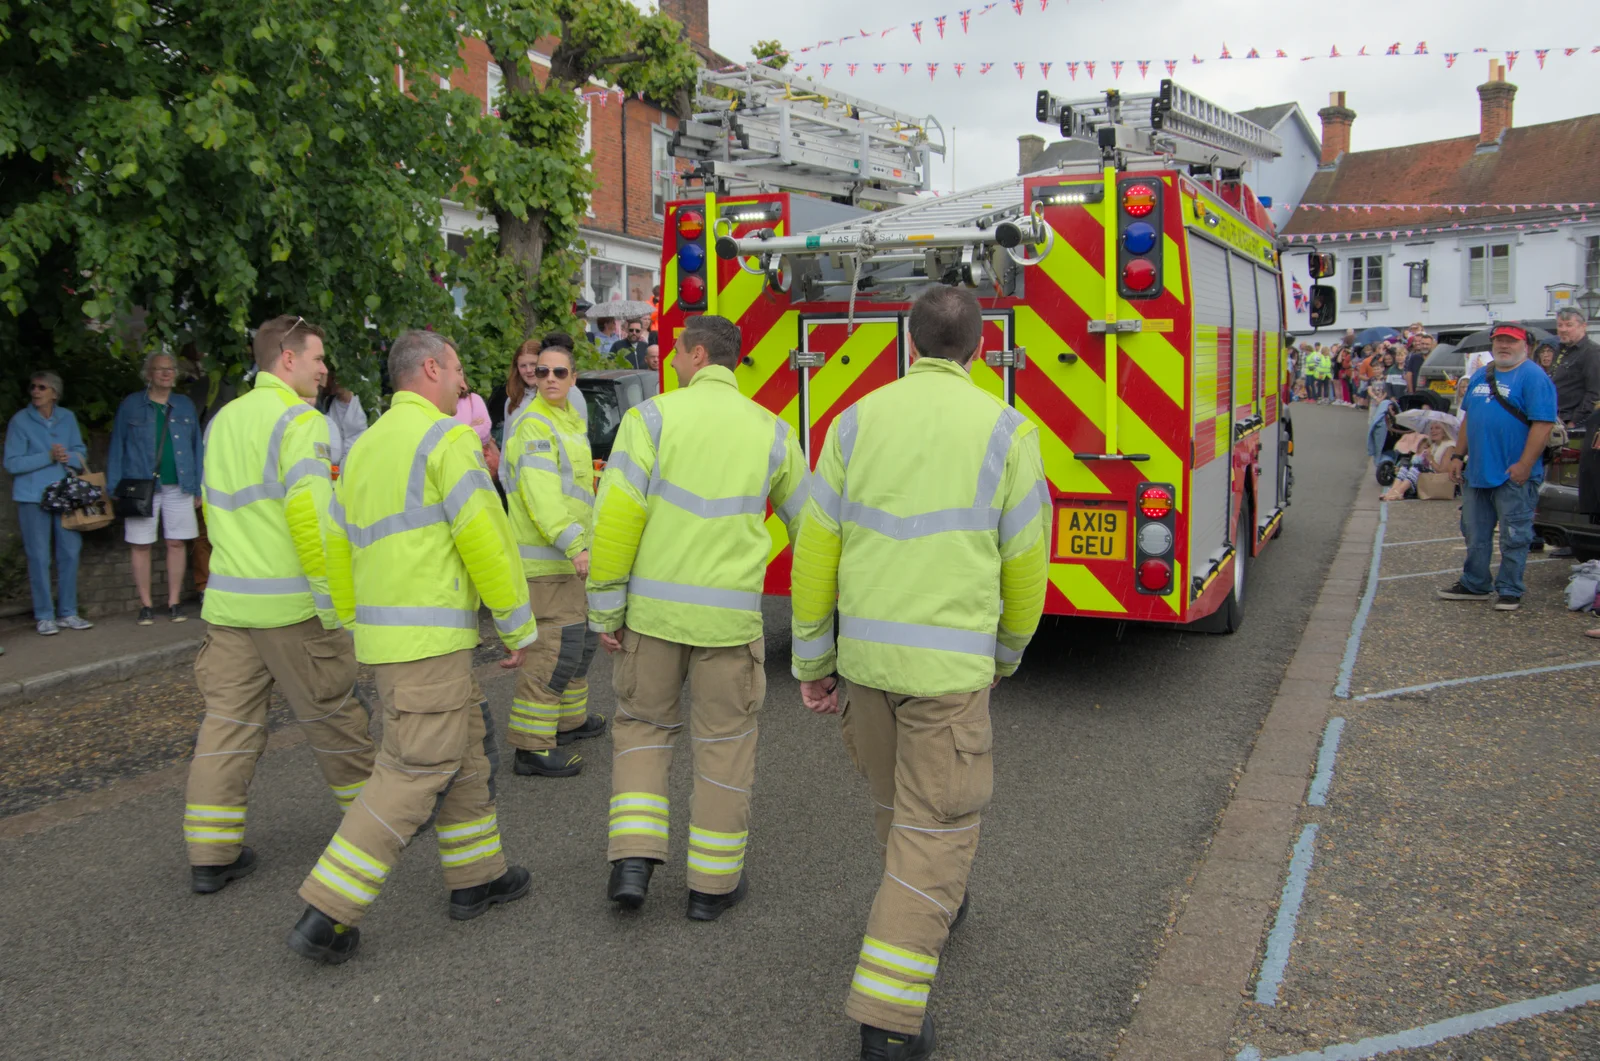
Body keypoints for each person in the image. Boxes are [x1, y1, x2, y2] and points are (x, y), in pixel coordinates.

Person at [789, 286, 1048, 1059]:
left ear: (907, 344)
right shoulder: (1007, 430)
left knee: (897, 805)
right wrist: (1008, 651)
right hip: (948, 669)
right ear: (978, 349)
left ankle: (930, 902)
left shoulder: (856, 420)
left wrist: (812, 657)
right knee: (935, 825)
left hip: (868, 665)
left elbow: (816, 547)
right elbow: (1026, 562)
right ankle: (888, 1018)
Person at [288, 329, 537, 964]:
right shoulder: (446, 442)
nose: (463, 383)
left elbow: (335, 542)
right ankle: (326, 912)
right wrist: (518, 628)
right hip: (430, 640)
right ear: (430, 369)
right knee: (413, 771)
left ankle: (477, 876)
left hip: (392, 642)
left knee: (463, 757)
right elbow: (487, 537)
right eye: (456, 371)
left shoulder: (364, 447)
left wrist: (350, 619)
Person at [587, 313, 807, 920]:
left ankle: (632, 863)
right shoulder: (772, 431)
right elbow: (812, 531)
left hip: (653, 620)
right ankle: (711, 889)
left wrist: (606, 608)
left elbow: (617, 519)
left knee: (641, 729)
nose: (671, 361)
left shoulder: (651, 419)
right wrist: (819, 627)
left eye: (676, 351)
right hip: (730, 628)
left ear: (698, 354)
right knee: (725, 746)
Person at [182, 314, 375, 895]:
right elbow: (313, 521)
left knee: (227, 727)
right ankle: (377, 824)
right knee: (335, 718)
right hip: (292, 607)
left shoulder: (222, 421)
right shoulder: (301, 422)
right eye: (317, 358)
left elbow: (211, 512)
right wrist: (334, 605)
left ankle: (211, 855)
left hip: (230, 603)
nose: (324, 370)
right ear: (286, 359)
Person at [503, 340, 606, 777]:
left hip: (568, 560)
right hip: (549, 562)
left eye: (558, 373)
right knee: (553, 652)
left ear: (573, 378)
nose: (549, 379)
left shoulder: (566, 420)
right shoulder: (534, 425)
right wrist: (575, 545)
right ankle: (531, 746)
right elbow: (543, 498)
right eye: (541, 372)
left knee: (578, 646)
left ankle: (567, 722)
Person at [1438, 323, 1558, 612]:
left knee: (1514, 535)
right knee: (1473, 531)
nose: (1504, 346)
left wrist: (1525, 465)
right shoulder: (1483, 374)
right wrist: (1457, 455)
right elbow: (1469, 418)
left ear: (1525, 346)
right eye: (1499, 341)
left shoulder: (1534, 377)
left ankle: (1510, 589)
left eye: (1511, 341)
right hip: (1478, 471)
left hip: (1513, 473)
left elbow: (1543, 425)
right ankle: (1475, 583)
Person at [108, 351, 204, 624]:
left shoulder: (184, 405)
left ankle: (174, 602)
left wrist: (198, 486)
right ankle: (146, 604)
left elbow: (197, 447)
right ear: (148, 374)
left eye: (170, 369)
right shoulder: (131, 406)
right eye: (160, 369)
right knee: (141, 545)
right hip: (141, 485)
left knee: (176, 543)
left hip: (180, 485)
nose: (166, 374)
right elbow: (118, 445)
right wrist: (115, 485)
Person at [4, 371, 92, 635]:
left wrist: (70, 457)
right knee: (39, 557)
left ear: (54, 392)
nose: (35, 391)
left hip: (65, 494)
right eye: (32, 387)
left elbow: (81, 452)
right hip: (33, 497)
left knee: (70, 553)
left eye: (42, 387)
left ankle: (68, 612)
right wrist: (48, 456)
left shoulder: (68, 418)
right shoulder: (20, 420)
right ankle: (44, 615)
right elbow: (12, 463)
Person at [1381, 419, 1456, 502]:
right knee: (1406, 465)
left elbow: (1443, 470)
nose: (1433, 431)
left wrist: (1430, 459)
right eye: (1431, 428)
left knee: (1417, 467)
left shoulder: (1449, 446)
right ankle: (1393, 490)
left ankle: (1399, 491)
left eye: (1437, 428)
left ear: (1445, 431)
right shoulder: (1434, 445)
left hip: (1439, 480)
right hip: (1429, 477)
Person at [1550, 307, 1600, 425]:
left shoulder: (1592, 353)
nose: (1563, 329)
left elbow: (1595, 393)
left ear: (1583, 326)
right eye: (1560, 325)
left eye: (1569, 325)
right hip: (1554, 416)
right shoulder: (1559, 350)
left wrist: (1574, 421)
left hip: (1572, 421)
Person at [318, 370, 368, 465]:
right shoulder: (328, 402)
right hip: (336, 464)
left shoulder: (363, 402)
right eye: (334, 378)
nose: (335, 382)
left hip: (359, 460)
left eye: (339, 379)